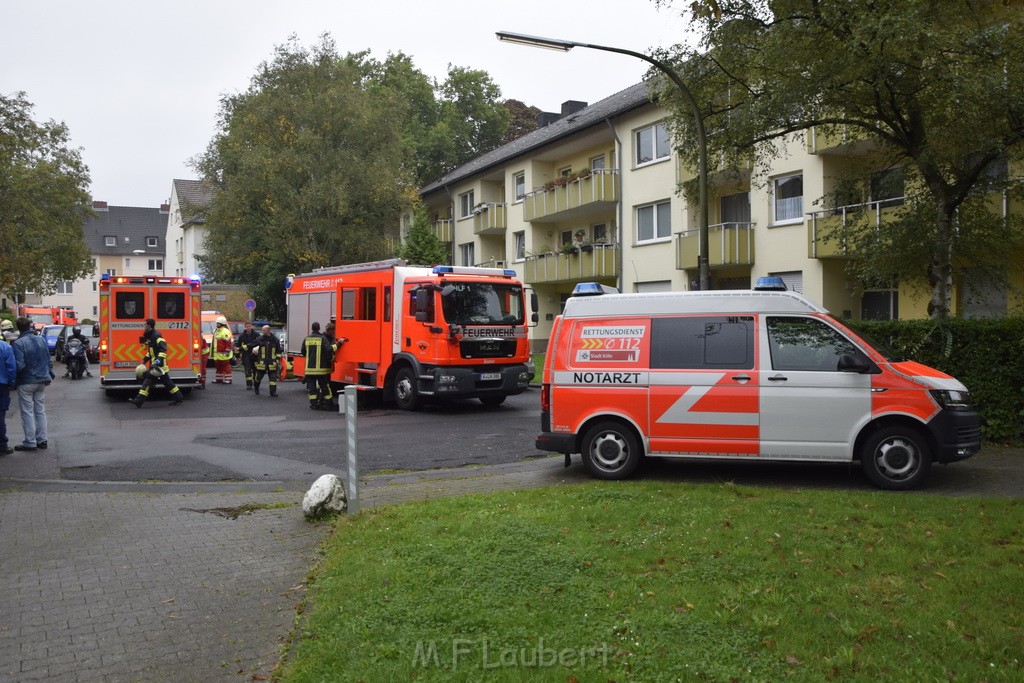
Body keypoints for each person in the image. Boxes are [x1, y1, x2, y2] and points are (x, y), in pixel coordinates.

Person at [11, 317, 51, 451]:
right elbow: (48, 358)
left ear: (18, 328)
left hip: (26, 381)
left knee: (27, 412)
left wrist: (13, 379)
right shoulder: (40, 339)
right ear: (30, 326)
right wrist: (49, 374)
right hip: (42, 379)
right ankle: (42, 440)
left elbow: (19, 365)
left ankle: (30, 442)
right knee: (40, 411)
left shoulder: (18, 343)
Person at [129, 318, 185, 408]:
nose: (144, 326)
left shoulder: (157, 336)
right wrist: (144, 360)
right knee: (168, 383)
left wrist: (157, 363)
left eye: (145, 325)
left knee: (147, 382)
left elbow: (163, 350)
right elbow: (151, 352)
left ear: (149, 326)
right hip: (157, 366)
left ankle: (138, 401)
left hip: (159, 367)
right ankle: (178, 397)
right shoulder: (151, 336)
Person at [301, 321, 341, 410]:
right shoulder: (322, 339)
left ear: (312, 328)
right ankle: (329, 404)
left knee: (312, 388)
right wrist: (339, 344)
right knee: (324, 386)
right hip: (321, 370)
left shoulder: (306, 339)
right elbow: (329, 349)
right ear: (319, 328)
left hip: (309, 369)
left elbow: (303, 352)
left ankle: (313, 404)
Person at [251, 324, 282, 397]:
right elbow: (251, 345)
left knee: (273, 379)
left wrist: (277, 359)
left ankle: (273, 392)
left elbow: (279, 351)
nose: (262, 332)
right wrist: (240, 349)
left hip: (272, 363)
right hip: (262, 363)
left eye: (263, 330)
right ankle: (256, 388)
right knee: (258, 377)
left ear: (268, 330)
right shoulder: (260, 339)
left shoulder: (275, 340)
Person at [0, 329, 16, 455]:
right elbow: (11, 367)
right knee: (0, 415)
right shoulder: (5, 347)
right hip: (2, 385)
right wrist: (12, 382)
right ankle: (2, 445)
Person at [235, 321, 260, 390]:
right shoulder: (242, 336)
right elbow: (238, 346)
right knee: (247, 370)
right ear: (245, 327)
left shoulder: (256, 335)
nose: (248, 328)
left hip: (255, 355)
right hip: (246, 355)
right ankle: (249, 384)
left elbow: (259, 343)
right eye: (247, 327)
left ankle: (256, 383)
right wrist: (237, 355)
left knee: (255, 370)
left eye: (249, 326)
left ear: (252, 327)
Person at [212, 315, 234, 384]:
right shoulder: (216, 331)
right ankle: (219, 379)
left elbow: (228, 343)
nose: (217, 324)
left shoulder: (225, 331)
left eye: (218, 323)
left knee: (226, 367)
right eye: (217, 323)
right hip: (217, 354)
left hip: (224, 354)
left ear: (221, 324)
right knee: (218, 367)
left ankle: (228, 379)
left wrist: (227, 352)